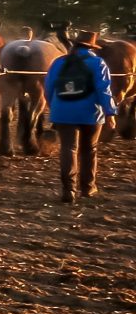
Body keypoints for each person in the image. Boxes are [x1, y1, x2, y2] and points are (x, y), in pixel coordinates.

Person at [45, 29, 117, 203]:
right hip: (91, 113)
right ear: (92, 47)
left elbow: (48, 88)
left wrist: (54, 106)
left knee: (68, 149)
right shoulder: (98, 62)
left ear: (75, 44)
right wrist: (110, 112)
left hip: (62, 112)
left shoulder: (59, 62)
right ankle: (88, 188)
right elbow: (104, 90)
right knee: (89, 150)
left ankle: (68, 190)